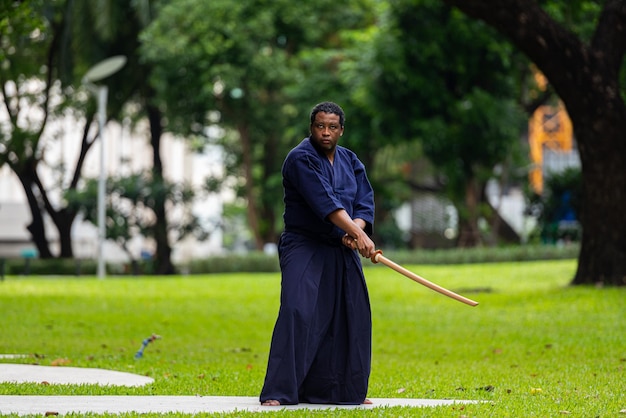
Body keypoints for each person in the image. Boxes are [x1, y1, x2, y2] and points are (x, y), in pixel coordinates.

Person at [259, 101, 376, 406]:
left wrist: (356, 230)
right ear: (311, 128)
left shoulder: (351, 161)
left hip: (341, 246)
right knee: (298, 309)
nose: (326, 132)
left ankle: (338, 391)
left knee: (351, 313)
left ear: (341, 130)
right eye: (320, 126)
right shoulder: (300, 159)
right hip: (305, 244)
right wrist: (356, 232)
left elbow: (363, 202)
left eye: (332, 127)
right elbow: (325, 202)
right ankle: (280, 391)